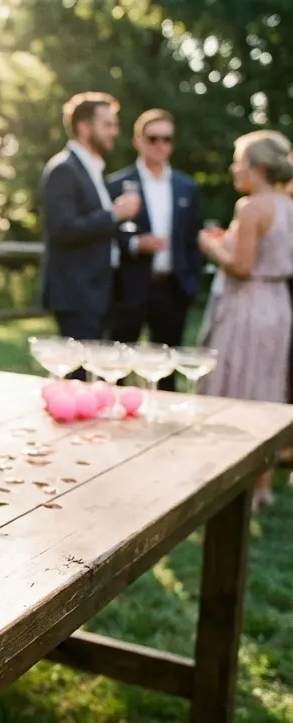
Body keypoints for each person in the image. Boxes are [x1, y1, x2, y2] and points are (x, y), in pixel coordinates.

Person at [196, 131, 293, 510]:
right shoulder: (287, 204)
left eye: (239, 161)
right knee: (266, 386)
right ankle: (261, 486)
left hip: (247, 305)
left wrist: (211, 246)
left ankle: (224, 483)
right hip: (278, 303)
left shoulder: (251, 207)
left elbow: (241, 266)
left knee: (234, 385)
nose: (235, 168)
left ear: (256, 168)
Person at [106, 108, 204, 389]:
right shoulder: (117, 184)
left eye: (167, 139)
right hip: (130, 286)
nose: (161, 145)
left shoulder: (186, 187)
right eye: (153, 138)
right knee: (118, 365)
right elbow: (107, 233)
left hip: (172, 289)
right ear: (139, 141)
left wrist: (190, 284)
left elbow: (191, 239)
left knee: (167, 370)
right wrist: (136, 243)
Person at [39, 92, 142, 341]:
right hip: (78, 296)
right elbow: (63, 229)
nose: (114, 132)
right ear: (84, 127)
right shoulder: (63, 169)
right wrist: (114, 214)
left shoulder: (92, 170)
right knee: (79, 378)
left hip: (101, 294)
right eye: (107, 125)